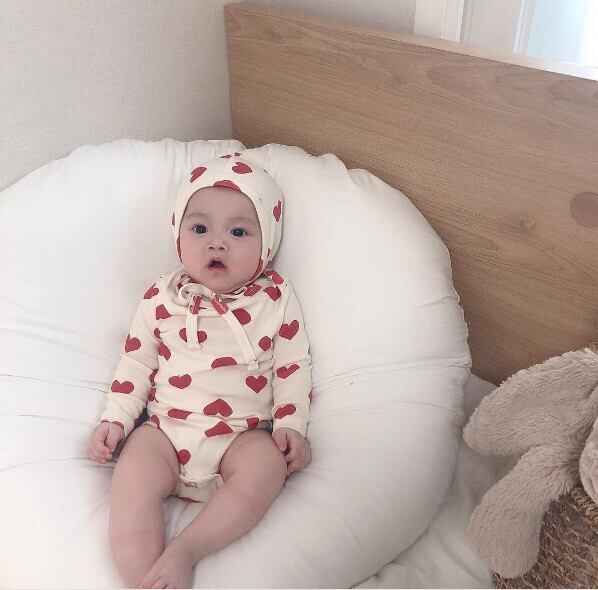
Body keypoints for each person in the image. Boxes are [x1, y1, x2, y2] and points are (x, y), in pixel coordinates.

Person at [87, 154, 312, 589]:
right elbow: (136, 361)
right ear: (178, 233)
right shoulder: (162, 296)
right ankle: (143, 577)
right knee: (131, 474)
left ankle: (186, 550)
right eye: (200, 229)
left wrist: (291, 424)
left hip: (240, 437)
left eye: (238, 232)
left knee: (267, 466)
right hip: (165, 433)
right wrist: (115, 419)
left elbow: (292, 365)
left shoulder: (275, 297)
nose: (217, 244)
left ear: (267, 243)